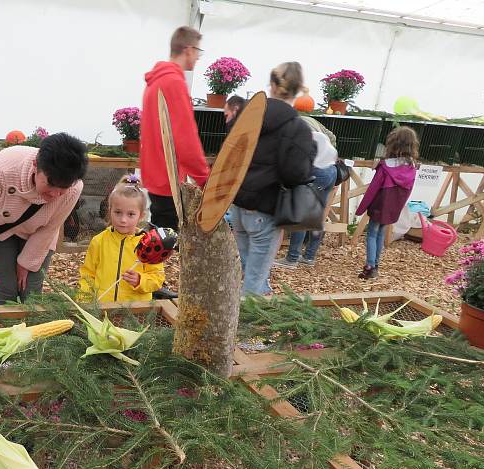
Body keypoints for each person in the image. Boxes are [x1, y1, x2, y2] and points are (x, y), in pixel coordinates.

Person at [0, 132, 88, 304]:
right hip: (3, 231)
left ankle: (32, 330)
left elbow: (51, 227)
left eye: (63, 188)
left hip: (39, 233)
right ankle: (3, 327)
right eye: (50, 184)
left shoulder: (75, 188)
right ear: (35, 165)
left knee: (30, 292)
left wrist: (27, 263)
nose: (54, 194)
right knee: (7, 290)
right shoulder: (2, 167)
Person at [226, 62, 315, 295]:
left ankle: (232, 320)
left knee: (243, 271)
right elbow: (295, 174)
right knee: (255, 280)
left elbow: (230, 152)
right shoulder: (297, 128)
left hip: (237, 206)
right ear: (297, 90)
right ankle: (242, 328)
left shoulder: (246, 114)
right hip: (264, 211)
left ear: (272, 84)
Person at [140, 26, 210, 299]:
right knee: (164, 236)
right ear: (189, 49)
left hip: (156, 169)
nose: (198, 58)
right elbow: (185, 135)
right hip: (167, 173)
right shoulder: (173, 81)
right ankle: (150, 285)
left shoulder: (157, 80)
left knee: (160, 230)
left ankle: (150, 283)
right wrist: (204, 177)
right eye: (198, 51)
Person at [79, 175, 165, 303]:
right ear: (110, 210)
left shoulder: (149, 244)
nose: (123, 220)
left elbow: (157, 278)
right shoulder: (99, 241)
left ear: (141, 215)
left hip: (136, 312)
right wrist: (85, 303)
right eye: (118, 212)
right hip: (102, 308)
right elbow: (87, 275)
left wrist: (140, 280)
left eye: (131, 214)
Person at [355, 126, 419, 279]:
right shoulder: (412, 167)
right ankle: (376, 264)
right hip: (394, 204)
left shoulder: (385, 166)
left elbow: (373, 189)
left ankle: (370, 266)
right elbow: (408, 190)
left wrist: (361, 208)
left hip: (380, 203)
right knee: (381, 233)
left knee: (372, 233)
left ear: (393, 144)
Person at [274, 117, 339, 268]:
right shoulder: (308, 121)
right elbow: (332, 137)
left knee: (301, 215)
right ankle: (309, 256)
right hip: (331, 170)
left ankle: (292, 258)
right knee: (317, 214)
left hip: (316, 170)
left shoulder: (290, 129)